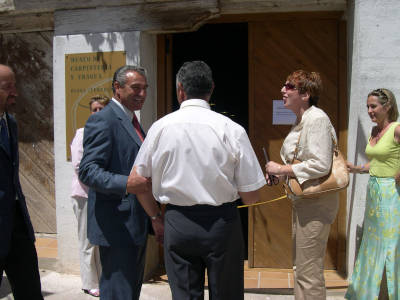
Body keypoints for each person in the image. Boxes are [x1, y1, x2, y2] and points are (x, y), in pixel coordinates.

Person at [133, 60, 266, 300]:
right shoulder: (231, 129)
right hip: (222, 223)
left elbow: (138, 181)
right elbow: (251, 196)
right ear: (211, 88)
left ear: (180, 89)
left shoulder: (160, 128)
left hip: (177, 221)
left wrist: (155, 217)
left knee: (184, 295)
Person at [79, 65, 155, 300]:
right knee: (117, 294)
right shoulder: (104, 119)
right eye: (136, 88)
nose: (142, 94)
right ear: (117, 88)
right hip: (116, 226)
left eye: (145, 88)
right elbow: (88, 171)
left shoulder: (131, 120)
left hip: (135, 225)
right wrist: (126, 183)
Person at [265, 70, 339, 300]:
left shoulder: (316, 119)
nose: (282, 90)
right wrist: (282, 175)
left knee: (308, 272)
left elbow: (320, 164)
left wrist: (282, 169)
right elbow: (304, 160)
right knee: (303, 269)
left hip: (315, 205)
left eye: (289, 87)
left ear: (305, 94)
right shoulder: (303, 119)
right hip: (305, 203)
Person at [345, 88, 400, 300]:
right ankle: (368, 294)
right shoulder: (375, 131)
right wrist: (358, 168)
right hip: (374, 192)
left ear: (387, 107)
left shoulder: (396, 129)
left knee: (390, 246)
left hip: (391, 195)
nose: (369, 110)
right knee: (372, 244)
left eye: (373, 106)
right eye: (367, 106)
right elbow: (377, 163)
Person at [0, 64, 43, 299]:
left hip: (18, 227)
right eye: (8, 87)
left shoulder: (11, 123)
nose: (15, 92)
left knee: (30, 293)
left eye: (15, 85)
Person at [70, 95, 110, 297]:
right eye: (94, 109)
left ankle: (101, 279)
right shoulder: (82, 133)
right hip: (85, 195)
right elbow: (79, 166)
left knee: (99, 240)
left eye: (101, 109)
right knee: (87, 242)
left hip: (101, 195)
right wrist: (103, 183)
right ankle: (89, 282)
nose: (98, 113)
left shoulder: (108, 133)